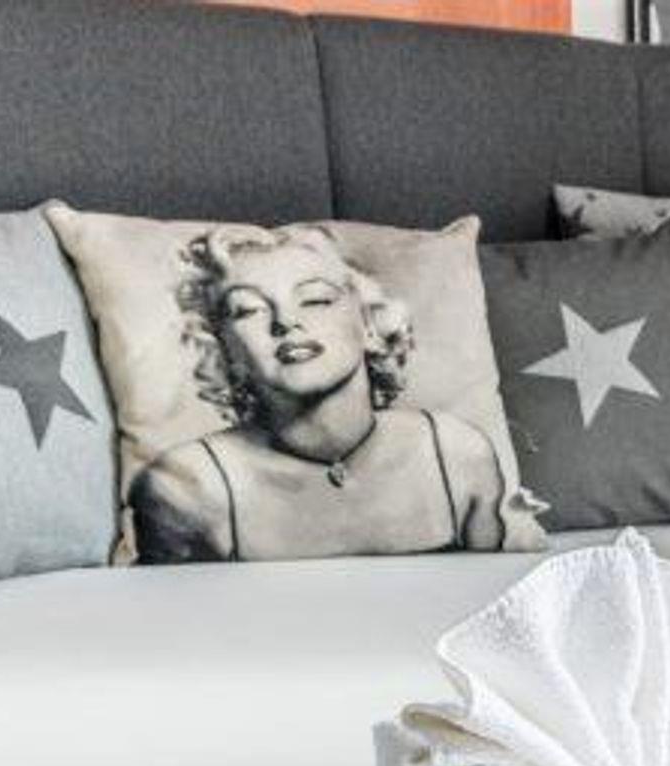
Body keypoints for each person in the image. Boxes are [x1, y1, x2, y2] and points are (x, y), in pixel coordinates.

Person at [130, 225, 508, 564]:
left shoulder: (456, 455)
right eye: (248, 310)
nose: (286, 321)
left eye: (315, 300)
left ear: (369, 324)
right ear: (224, 349)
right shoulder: (187, 488)